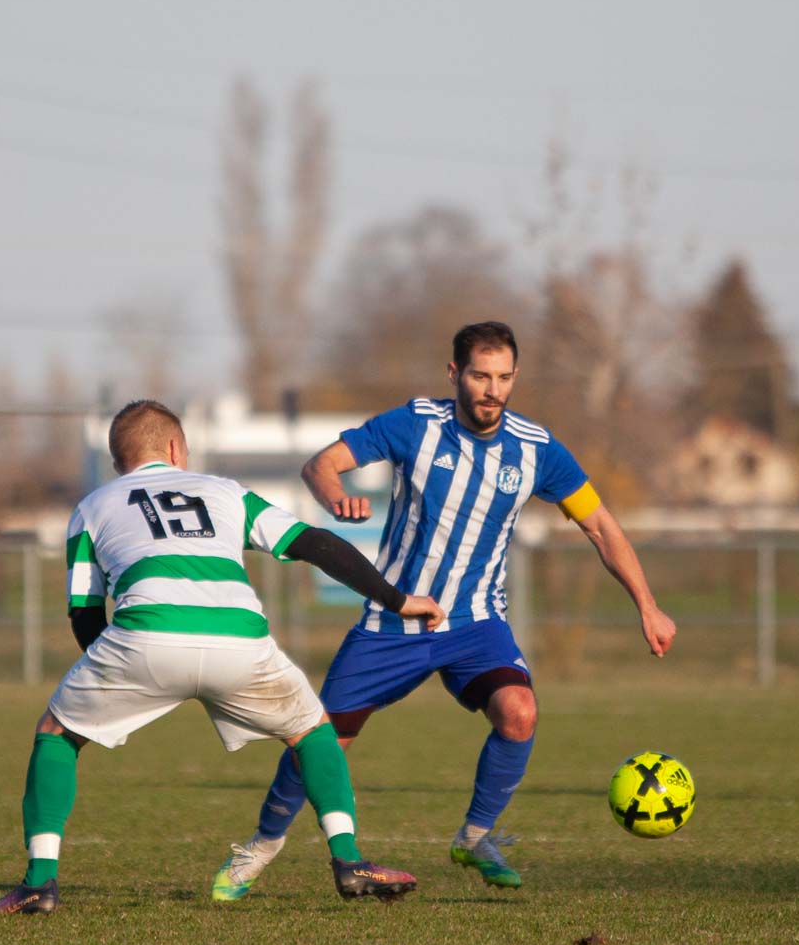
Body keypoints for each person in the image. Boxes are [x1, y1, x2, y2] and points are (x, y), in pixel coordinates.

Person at [212, 321, 678, 900]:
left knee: (520, 713)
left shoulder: (537, 449)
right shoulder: (415, 424)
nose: (492, 390)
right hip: (393, 623)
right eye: (481, 376)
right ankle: (261, 846)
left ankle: (476, 838)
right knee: (319, 743)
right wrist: (336, 497)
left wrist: (648, 606)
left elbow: (600, 525)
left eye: (504, 378)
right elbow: (321, 464)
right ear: (455, 373)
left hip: (477, 623)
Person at [0, 400, 446, 914]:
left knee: (57, 734)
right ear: (176, 448)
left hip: (145, 637)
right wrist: (397, 600)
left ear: (119, 462)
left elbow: (84, 611)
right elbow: (314, 544)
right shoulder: (226, 491)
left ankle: (39, 884)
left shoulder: (92, 506)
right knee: (313, 733)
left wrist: (115, 678)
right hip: (240, 643)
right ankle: (349, 859)